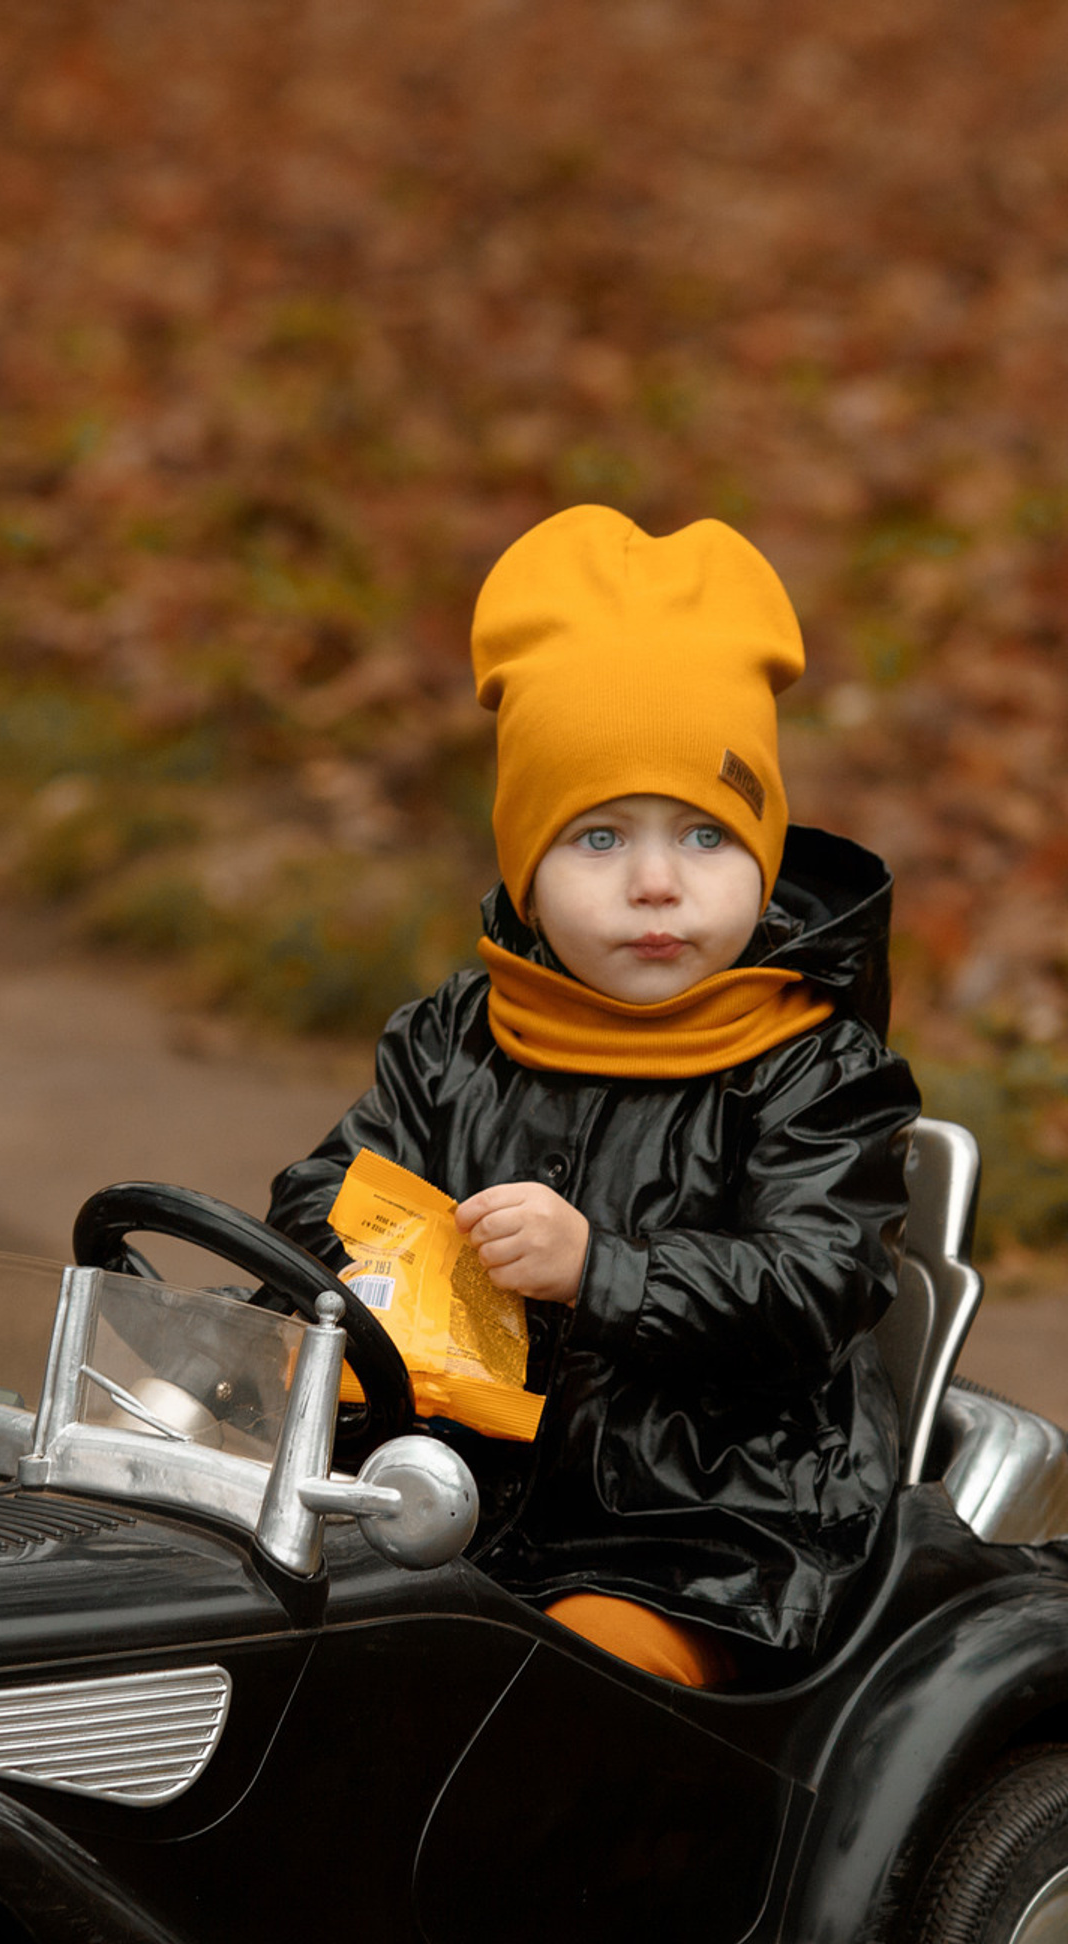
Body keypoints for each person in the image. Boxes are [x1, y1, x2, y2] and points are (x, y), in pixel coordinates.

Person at [267, 505, 921, 1689]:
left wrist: (600, 1268)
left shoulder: (814, 1069)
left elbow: (820, 1282)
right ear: (526, 861)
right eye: (601, 839)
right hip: (444, 1484)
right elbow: (328, 1193)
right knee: (258, 1623)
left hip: (709, 1526)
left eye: (706, 839)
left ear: (762, 853)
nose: (659, 885)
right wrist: (369, 1257)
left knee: (549, 1689)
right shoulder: (457, 1037)